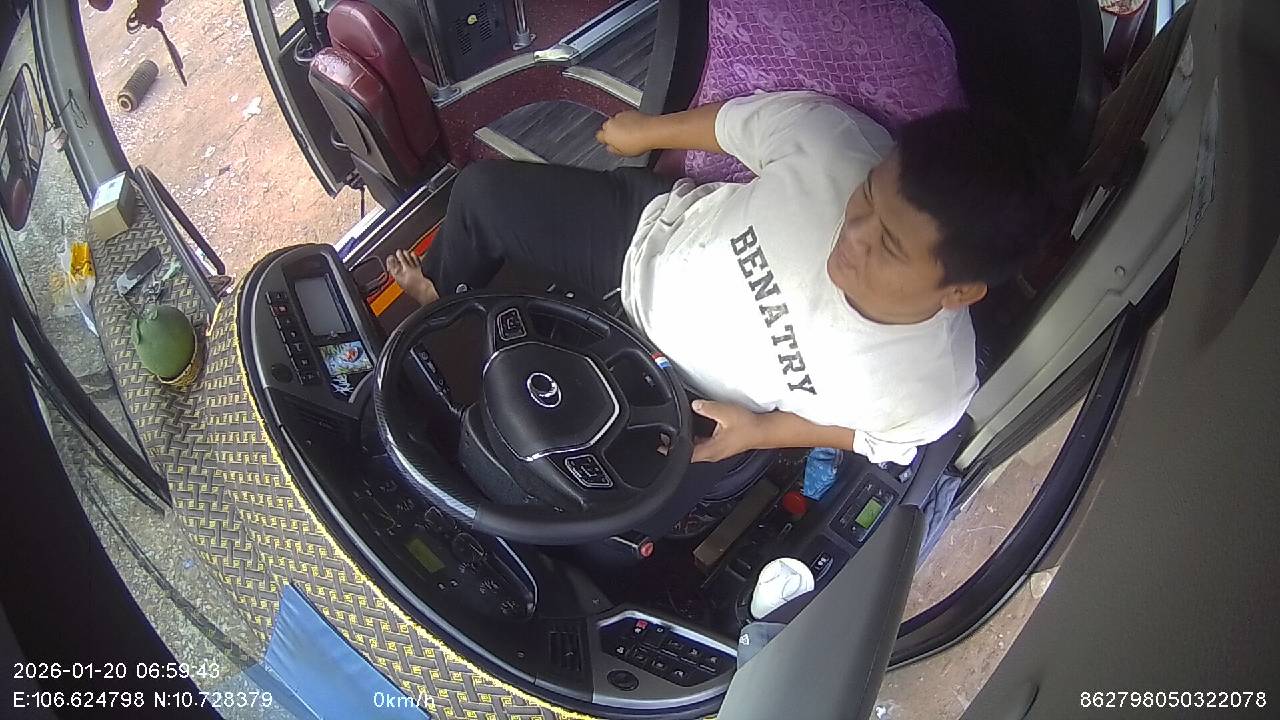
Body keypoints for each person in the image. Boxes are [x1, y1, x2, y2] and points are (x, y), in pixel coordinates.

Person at [387, 91, 1062, 465]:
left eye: (887, 243)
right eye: (866, 196)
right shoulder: (835, 143)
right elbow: (740, 126)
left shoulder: (929, 388)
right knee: (479, 195)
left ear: (958, 292)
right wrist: (644, 132)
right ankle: (441, 305)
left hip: (683, 397)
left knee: (554, 477)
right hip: (643, 242)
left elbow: (874, 437)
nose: (852, 234)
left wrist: (760, 432)